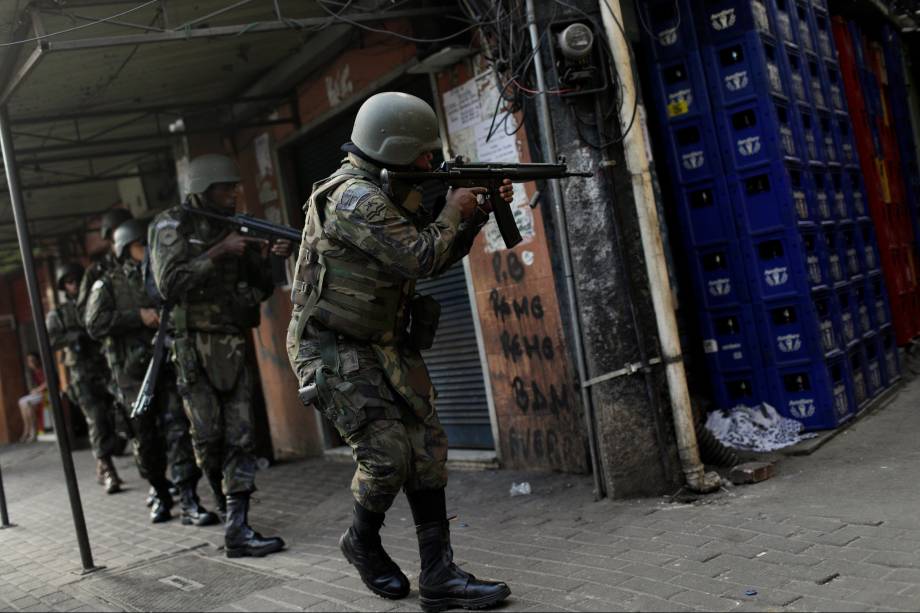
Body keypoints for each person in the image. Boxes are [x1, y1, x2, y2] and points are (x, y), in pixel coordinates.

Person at [286, 91, 512, 611]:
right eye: (425, 152)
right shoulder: (354, 199)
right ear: (395, 146)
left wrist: (473, 216)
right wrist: (454, 209)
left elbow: (433, 257)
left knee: (428, 450)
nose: (432, 162)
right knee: (386, 454)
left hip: (385, 340)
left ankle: (439, 574)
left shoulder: (391, 189)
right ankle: (361, 541)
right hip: (332, 344)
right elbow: (416, 255)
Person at [148, 154, 288, 557]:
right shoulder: (172, 225)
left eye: (235, 186)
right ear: (203, 188)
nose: (233, 193)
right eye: (225, 187)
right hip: (191, 346)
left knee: (242, 434)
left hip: (230, 341)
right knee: (207, 437)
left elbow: (260, 288)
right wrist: (219, 251)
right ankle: (222, 500)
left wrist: (270, 255)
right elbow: (169, 284)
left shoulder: (238, 224)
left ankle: (238, 527)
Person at [85, 219, 217, 527]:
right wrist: (137, 316)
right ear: (123, 250)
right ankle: (160, 491)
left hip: (166, 368)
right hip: (132, 378)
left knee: (178, 431)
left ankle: (189, 500)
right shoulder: (108, 284)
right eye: (139, 246)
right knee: (146, 442)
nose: (146, 250)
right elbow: (94, 324)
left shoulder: (158, 276)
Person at [46, 264, 122, 493]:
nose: (73, 285)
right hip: (81, 375)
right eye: (68, 281)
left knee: (119, 417)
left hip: (107, 368)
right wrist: (74, 337)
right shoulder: (59, 313)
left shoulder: (98, 299)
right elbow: (51, 340)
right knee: (97, 420)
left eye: (76, 279)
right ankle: (108, 469)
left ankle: (105, 461)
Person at [17, 353, 46, 442]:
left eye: (33, 360)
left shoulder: (43, 369)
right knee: (21, 401)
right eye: (29, 361)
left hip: (46, 394)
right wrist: (34, 390)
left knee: (27, 404)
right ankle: (27, 429)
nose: (31, 362)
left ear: (37, 360)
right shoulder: (33, 372)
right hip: (38, 394)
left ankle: (33, 431)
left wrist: (37, 390)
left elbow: (47, 382)